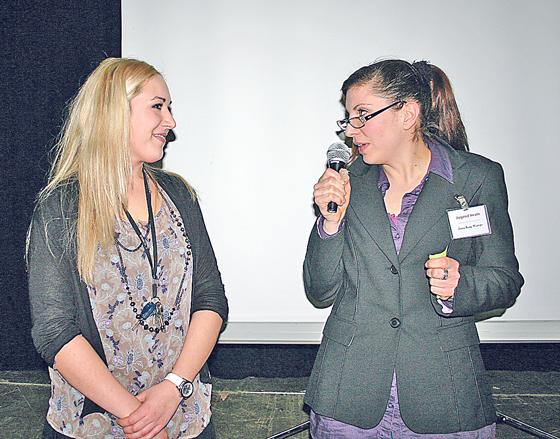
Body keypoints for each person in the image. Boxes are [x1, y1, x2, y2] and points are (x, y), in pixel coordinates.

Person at [304, 59, 523, 437]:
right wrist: (330, 222)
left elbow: (505, 279)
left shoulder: (475, 178)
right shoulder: (345, 183)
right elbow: (320, 290)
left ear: (408, 114)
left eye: (363, 115)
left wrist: (462, 285)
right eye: (348, 118)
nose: (351, 130)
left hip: (445, 395)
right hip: (347, 396)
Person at [26, 58, 227, 439]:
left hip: (184, 414)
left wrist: (172, 389)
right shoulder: (62, 207)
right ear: (114, 111)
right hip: (94, 423)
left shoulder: (179, 196)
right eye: (158, 106)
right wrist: (139, 419)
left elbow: (210, 298)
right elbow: (55, 332)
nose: (170, 122)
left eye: (169, 108)